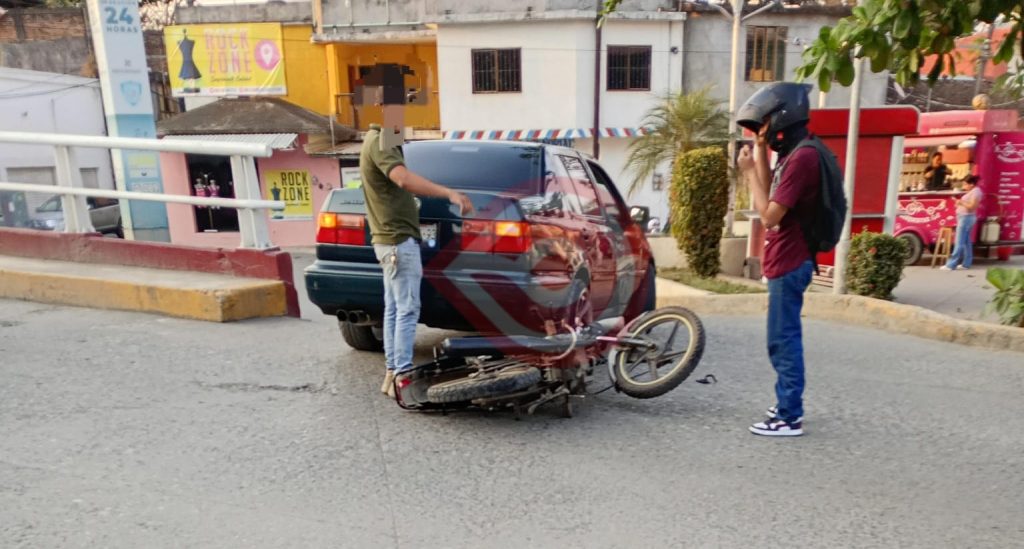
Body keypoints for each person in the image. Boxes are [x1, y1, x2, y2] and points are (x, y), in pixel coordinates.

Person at [736, 82, 824, 437]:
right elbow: (772, 186)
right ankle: (787, 403)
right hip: (787, 261)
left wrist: (747, 175)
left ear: (782, 116)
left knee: (783, 340)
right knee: (782, 337)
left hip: (790, 262)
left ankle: (789, 416)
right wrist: (760, 150)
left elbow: (770, 215)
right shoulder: (796, 153)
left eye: (765, 123)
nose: (763, 129)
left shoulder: (803, 158)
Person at [360, 124, 474, 397]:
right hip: (397, 242)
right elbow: (403, 179)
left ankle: (393, 374)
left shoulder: (378, 138)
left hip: (390, 241)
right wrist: (449, 193)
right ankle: (403, 376)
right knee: (407, 310)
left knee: (394, 309)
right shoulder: (382, 139)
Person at [941, 175, 982, 271]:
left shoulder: (976, 192)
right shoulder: (973, 192)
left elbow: (972, 207)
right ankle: (966, 263)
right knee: (966, 242)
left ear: (971, 184)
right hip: (964, 217)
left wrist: (961, 203)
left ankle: (951, 264)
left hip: (966, 218)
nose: (964, 186)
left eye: (965, 184)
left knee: (959, 241)